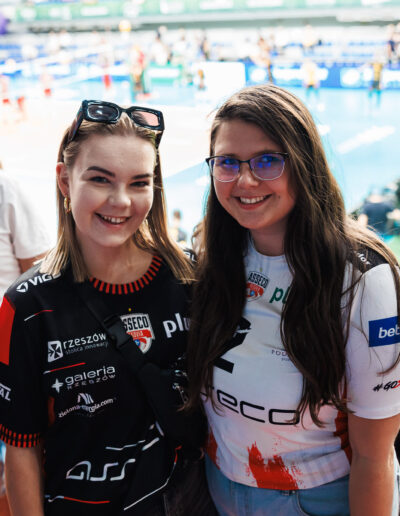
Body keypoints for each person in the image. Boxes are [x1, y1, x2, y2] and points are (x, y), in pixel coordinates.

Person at [187, 84, 400, 516]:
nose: (245, 180)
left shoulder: (363, 278)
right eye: (227, 162)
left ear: (303, 163)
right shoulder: (212, 253)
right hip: (218, 489)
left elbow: (374, 455)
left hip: (317, 500)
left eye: (267, 160)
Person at [0, 100, 213, 515]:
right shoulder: (27, 306)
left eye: (139, 183)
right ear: (65, 180)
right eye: (100, 179)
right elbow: (21, 447)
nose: (121, 201)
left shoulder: (192, 281)